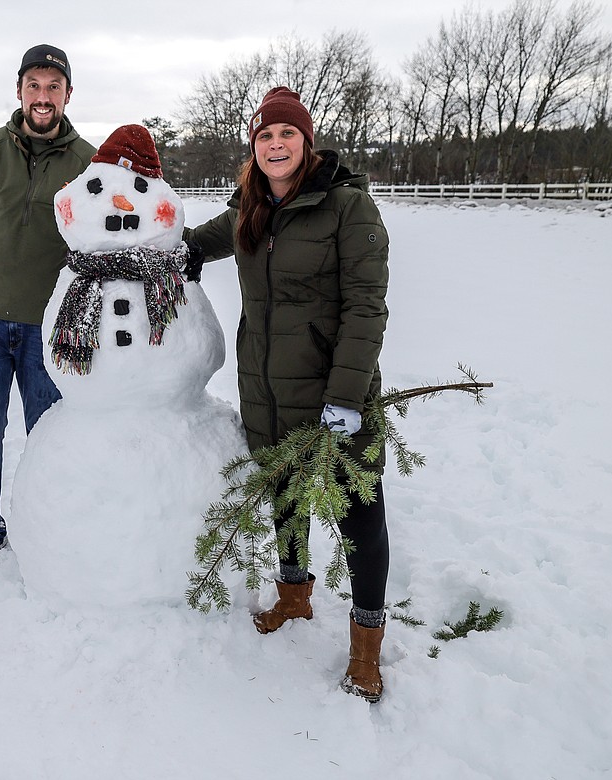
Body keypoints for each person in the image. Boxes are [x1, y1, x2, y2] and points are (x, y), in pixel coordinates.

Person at [185, 87, 391, 701]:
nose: (276, 145)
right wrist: (166, 255)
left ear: (306, 142)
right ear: (255, 147)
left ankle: (366, 646)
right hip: (267, 390)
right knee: (285, 498)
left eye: (287, 135)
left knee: (360, 517)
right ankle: (294, 597)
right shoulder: (251, 206)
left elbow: (366, 308)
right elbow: (201, 240)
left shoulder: (348, 208)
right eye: (265, 136)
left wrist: (347, 398)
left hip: (335, 391)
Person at [0, 44, 97, 579]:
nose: (43, 96)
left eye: (54, 86)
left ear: (68, 95)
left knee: (47, 435)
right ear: (19, 92)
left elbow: (98, 241)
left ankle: (46, 530)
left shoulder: (86, 162)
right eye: (34, 85)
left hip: (48, 328)